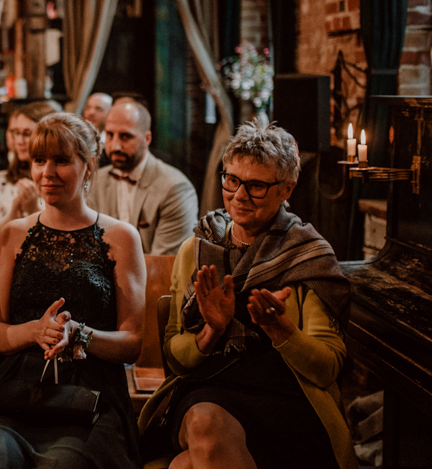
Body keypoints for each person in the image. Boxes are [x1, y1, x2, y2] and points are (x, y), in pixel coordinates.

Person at [137, 120, 355, 469]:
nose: (239, 195)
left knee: (186, 465)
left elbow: (327, 368)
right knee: (206, 421)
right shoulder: (196, 248)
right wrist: (211, 331)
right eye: (232, 179)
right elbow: (176, 359)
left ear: (287, 189)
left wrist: (281, 330)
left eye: (255, 186)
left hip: (288, 397)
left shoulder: (309, 255)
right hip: (207, 385)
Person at [0, 112, 145, 469]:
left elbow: (132, 341)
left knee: (64, 463)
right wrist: (35, 331)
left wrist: (79, 335)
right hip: (20, 390)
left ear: (88, 166)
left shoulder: (121, 237)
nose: (47, 172)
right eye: (39, 160)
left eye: (61, 161)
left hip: (92, 393)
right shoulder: (13, 235)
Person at [0, 101, 57, 301]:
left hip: (47, 275)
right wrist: (12, 218)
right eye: (15, 133)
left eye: (27, 133)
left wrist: (34, 209)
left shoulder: (56, 181)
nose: (19, 140)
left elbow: (60, 247)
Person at [88, 100, 198, 256]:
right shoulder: (97, 181)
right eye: (110, 135)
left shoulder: (175, 188)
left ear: (147, 138)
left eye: (125, 136)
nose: (115, 146)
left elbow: (164, 265)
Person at [82, 92, 113, 162]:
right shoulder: (76, 137)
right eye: (88, 108)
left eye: (98, 109)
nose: (91, 113)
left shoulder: (112, 143)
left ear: (110, 113)